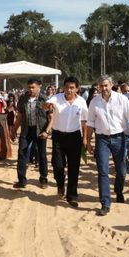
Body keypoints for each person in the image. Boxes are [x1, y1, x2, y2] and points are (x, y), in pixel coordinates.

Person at [86, 75, 129, 216]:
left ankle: (118, 190)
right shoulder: (94, 102)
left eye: (106, 85)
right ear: (98, 86)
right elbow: (90, 123)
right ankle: (105, 203)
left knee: (121, 170)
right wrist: (88, 141)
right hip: (101, 139)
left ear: (111, 85)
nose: (104, 88)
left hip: (119, 138)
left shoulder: (122, 100)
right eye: (101, 86)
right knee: (103, 171)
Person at [46, 76, 88, 207]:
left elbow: (84, 122)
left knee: (74, 168)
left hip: (75, 137)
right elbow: (47, 104)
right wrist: (49, 105)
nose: (69, 90)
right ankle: (60, 184)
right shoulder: (57, 98)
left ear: (77, 89)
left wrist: (85, 138)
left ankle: (72, 196)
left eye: (72, 88)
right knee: (58, 165)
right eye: (67, 87)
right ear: (63, 87)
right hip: (58, 136)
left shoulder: (81, 102)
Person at [11, 79, 51, 189]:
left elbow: (50, 117)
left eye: (33, 87)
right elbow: (19, 117)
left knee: (42, 155)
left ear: (39, 87)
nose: (31, 89)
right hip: (26, 130)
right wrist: (14, 131)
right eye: (29, 87)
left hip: (40, 130)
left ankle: (43, 179)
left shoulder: (44, 100)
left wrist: (47, 131)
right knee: (21, 154)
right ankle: (21, 180)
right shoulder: (23, 99)